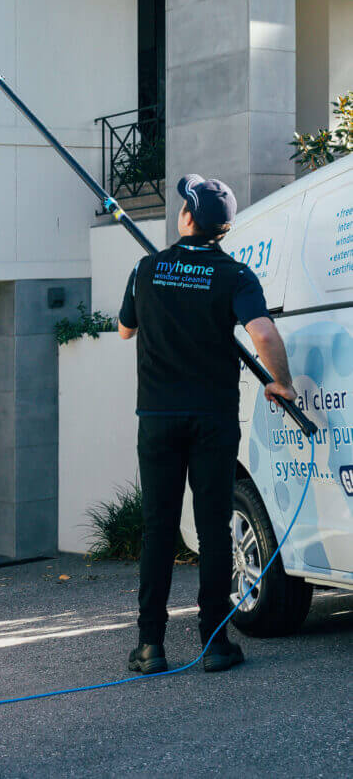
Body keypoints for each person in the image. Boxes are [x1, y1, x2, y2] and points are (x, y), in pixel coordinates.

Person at [117, 174, 295, 675]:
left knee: (158, 529)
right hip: (214, 419)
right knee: (214, 527)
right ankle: (215, 643)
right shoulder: (236, 274)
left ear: (188, 218)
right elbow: (263, 333)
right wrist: (279, 382)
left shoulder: (146, 268)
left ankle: (150, 646)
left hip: (157, 418)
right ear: (225, 227)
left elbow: (124, 329)